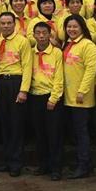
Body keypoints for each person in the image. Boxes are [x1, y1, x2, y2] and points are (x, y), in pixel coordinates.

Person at [0, 12, 33, 176]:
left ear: (14, 24)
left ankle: (16, 162)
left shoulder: (23, 41)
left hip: (16, 82)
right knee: (4, 123)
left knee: (16, 123)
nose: (6, 26)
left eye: (9, 23)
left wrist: (23, 90)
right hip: (1, 83)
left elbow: (28, 66)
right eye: (3, 23)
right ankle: (7, 160)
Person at [60, 14, 96, 179]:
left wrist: (82, 91)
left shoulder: (88, 45)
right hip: (68, 96)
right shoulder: (67, 44)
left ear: (82, 27)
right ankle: (82, 162)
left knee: (81, 133)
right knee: (74, 133)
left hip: (80, 97)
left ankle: (84, 165)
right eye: (69, 27)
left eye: (75, 26)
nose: (72, 29)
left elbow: (90, 70)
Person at [28, 21, 64, 180]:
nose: (41, 36)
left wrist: (54, 98)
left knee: (54, 134)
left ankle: (56, 168)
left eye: (44, 33)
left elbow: (59, 78)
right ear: (34, 35)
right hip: (35, 96)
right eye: (38, 33)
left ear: (50, 35)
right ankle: (43, 165)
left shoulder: (56, 53)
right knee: (39, 133)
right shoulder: (30, 52)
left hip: (51, 97)